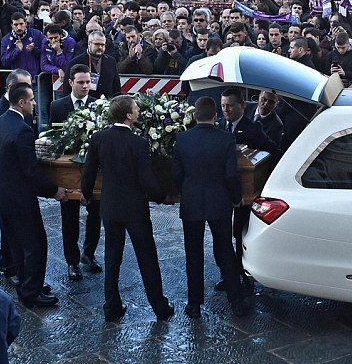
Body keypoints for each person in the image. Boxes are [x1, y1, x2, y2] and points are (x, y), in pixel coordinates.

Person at [81, 95, 174, 321]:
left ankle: (111, 307)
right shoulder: (138, 143)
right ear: (129, 115)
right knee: (147, 257)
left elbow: (88, 171)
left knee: (112, 258)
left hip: (110, 207)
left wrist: (86, 195)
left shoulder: (99, 138)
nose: (139, 111)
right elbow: (146, 179)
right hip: (135, 210)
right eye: (136, 109)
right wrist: (162, 197)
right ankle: (159, 306)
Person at [0, 83, 67, 308]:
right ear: (21, 102)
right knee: (35, 243)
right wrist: (53, 190)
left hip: (0, 195)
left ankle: (28, 284)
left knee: (17, 244)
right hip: (18, 197)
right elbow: (30, 170)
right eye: (31, 100)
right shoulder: (22, 129)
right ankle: (31, 292)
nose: (34, 103)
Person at [172, 97, 251, 319]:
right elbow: (231, 174)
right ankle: (236, 302)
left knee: (193, 253)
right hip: (220, 201)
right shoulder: (226, 139)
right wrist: (235, 198)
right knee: (225, 250)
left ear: (195, 116)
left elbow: (177, 173)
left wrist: (185, 191)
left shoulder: (182, 139)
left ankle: (194, 304)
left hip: (192, 201)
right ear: (215, 116)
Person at [218, 87, 281, 285]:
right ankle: (226, 273)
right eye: (222, 106)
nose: (226, 110)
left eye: (230, 106)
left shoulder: (252, 129)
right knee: (222, 234)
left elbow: (273, 150)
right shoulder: (218, 125)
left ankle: (242, 271)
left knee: (240, 232)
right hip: (222, 190)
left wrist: (257, 166)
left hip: (245, 191)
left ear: (242, 106)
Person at [49, 64, 102, 281]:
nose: (86, 86)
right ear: (70, 82)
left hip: (94, 172)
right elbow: (53, 136)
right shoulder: (58, 106)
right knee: (69, 218)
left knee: (95, 214)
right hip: (68, 171)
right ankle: (72, 261)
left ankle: (89, 254)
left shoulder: (98, 104)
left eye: (88, 82)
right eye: (81, 82)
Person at [67, 30, 121, 99]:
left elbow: (116, 87)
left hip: (107, 105)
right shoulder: (75, 62)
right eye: (97, 44)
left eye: (102, 45)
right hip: (84, 106)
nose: (100, 47)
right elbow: (67, 89)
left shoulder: (111, 61)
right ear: (89, 44)